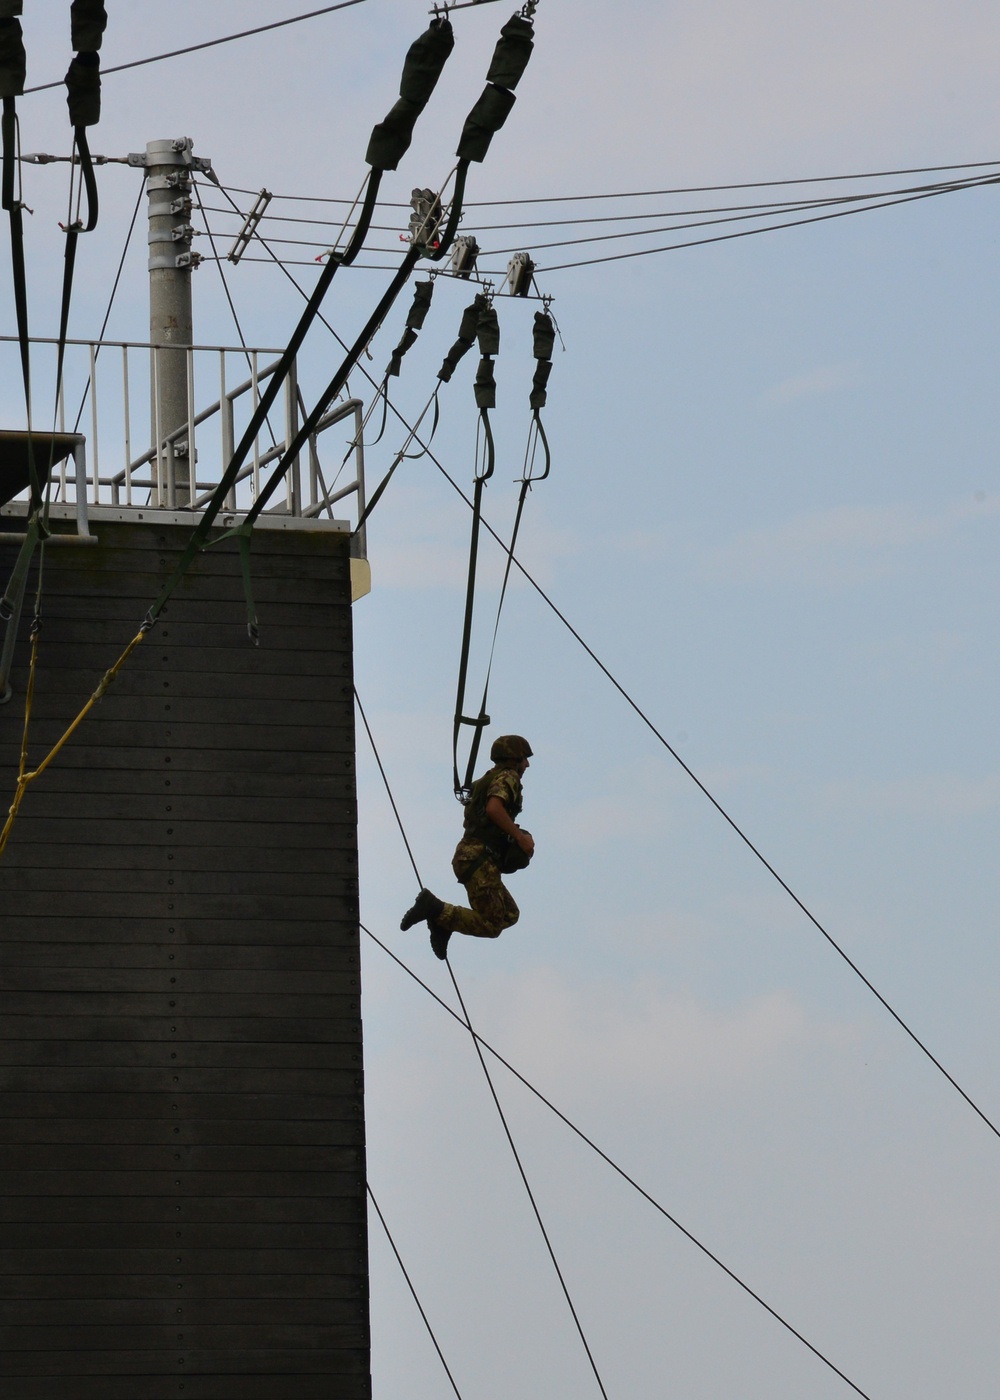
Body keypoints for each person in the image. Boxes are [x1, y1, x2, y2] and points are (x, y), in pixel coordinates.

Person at [400, 734, 535, 960]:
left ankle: (443, 922)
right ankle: (435, 909)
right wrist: (519, 838)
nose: (527, 764)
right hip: (478, 859)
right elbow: (494, 809)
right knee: (492, 925)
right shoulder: (508, 777)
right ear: (515, 759)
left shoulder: (487, 779)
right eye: (525, 759)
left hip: (474, 859)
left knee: (509, 914)